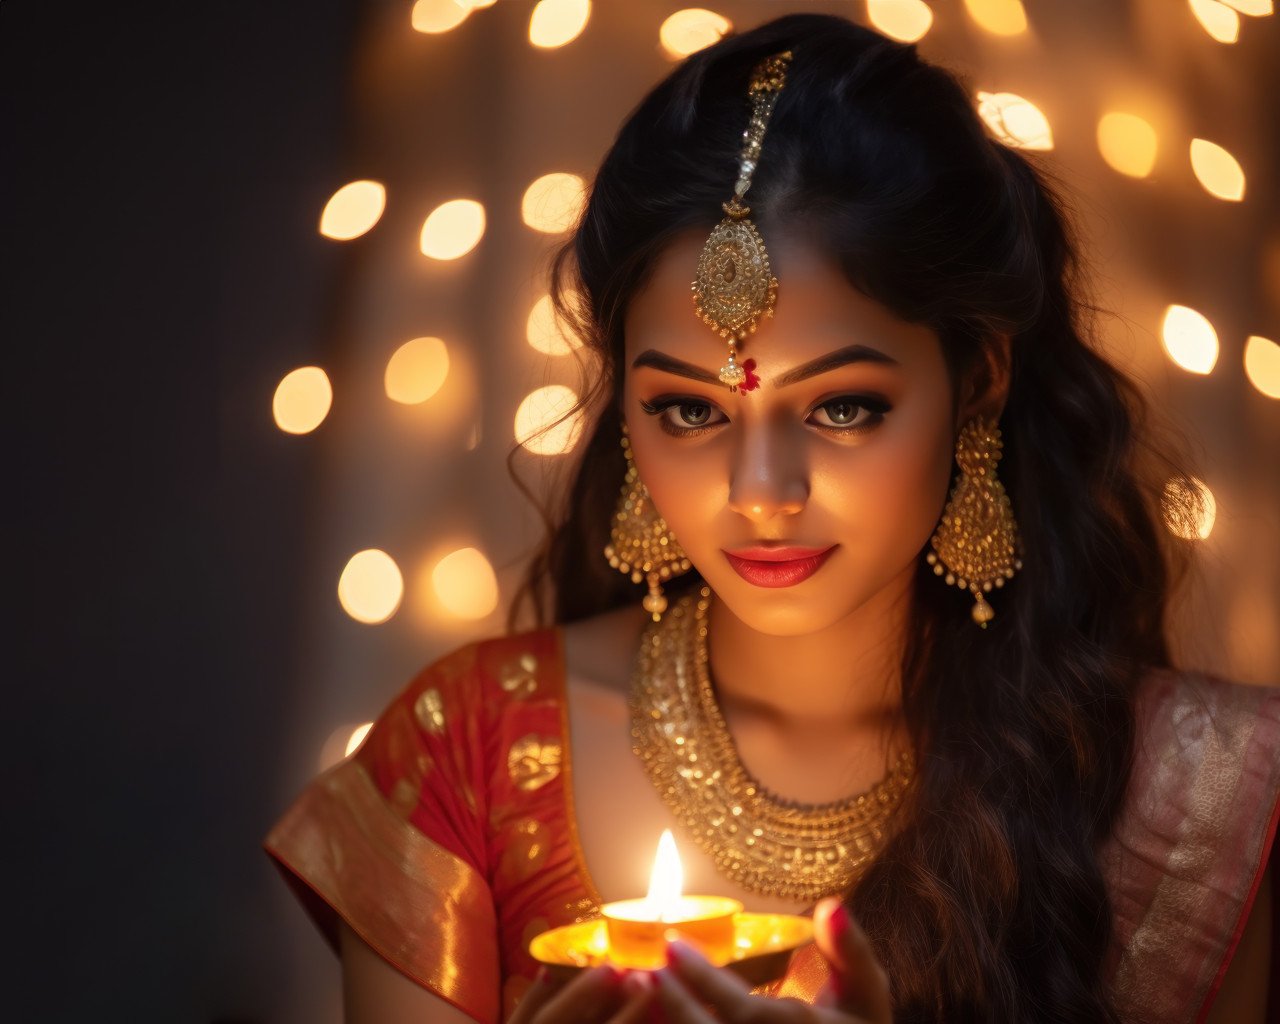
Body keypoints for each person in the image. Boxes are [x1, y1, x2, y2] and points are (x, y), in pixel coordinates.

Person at [265, 13, 1279, 1023]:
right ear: (624, 404)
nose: (758, 488)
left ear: (976, 378)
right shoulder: (466, 759)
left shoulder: (1188, 799)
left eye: (841, 407)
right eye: (689, 409)